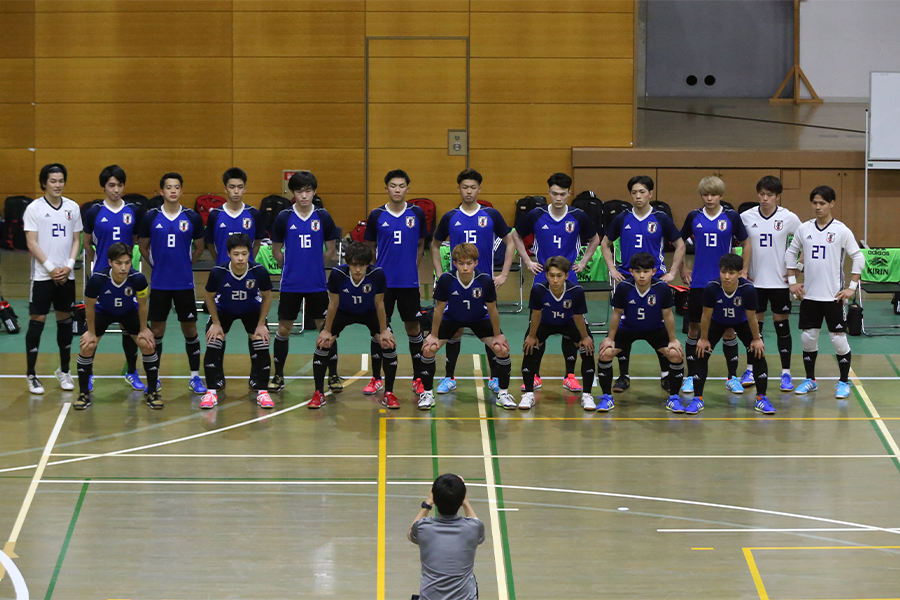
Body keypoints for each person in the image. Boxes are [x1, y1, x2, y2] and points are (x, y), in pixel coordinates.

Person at [511, 172, 600, 393]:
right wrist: (528, 261)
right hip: (543, 275)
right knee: (536, 325)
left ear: (569, 194)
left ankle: (569, 375)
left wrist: (584, 261)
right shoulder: (536, 214)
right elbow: (515, 235)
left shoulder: (578, 216)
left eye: (562, 194)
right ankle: (535, 376)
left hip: (569, 278)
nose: (557, 198)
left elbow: (595, 238)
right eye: (553, 193)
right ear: (548, 192)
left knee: (570, 324)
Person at [431, 168, 515, 395]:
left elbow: (511, 242)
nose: (469, 191)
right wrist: (440, 276)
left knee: (491, 332)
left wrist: (504, 274)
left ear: (479, 188)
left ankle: (495, 378)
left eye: (473, 187)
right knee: (454, 331)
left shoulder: (491, 215)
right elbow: (435, 245)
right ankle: (449, 377)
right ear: (458, 189)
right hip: (456, 284)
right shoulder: (450, 216)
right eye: (465, 187)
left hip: (483, 286)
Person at [601, 175, 685, 393]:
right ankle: (623, 376)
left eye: (642, 192)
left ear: (650, 194)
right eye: (634, 193)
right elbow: (605, 243)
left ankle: (666, 375)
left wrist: (673, 271)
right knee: (625, 326)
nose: (638, 196)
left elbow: (680, 244)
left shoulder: (661, 218)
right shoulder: (622, 218)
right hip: (628, 278)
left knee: (658, 325)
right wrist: (611, 269)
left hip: (654, 278)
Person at [786, 185, 864, 400]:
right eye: (815, 203)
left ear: (831, 204)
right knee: (808, 339)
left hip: (834, 298)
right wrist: (793, 282)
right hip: (809, 297)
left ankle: (843, 382)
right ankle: (810, 380)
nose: (818, 207)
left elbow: (858, 258)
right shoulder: (804, 229)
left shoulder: (841, 230)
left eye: (822, 203)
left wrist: (851, 287)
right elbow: (791, 253)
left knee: (839, 341)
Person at [420, 243, 514, 410]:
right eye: (461, 263)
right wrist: (433, 335)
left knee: (502, 349)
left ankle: (504, 394)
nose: (465, 267)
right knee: (429, 349)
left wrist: (498, 334)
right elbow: (439, 309)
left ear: (476, 263)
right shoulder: (446, 280)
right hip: (452, 319)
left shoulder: (484, 281)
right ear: (454, 263)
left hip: (479, 318)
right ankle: (427, 394)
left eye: (469, 263)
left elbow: (492, 310)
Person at [268, 170, 339, 393]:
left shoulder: (323, 217)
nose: (304, 196)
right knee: (283, 328)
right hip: (290, 284)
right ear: (293, 193)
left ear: (314, 192)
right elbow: (276, 250)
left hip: (317, 283)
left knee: (325, 328)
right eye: (299, 191)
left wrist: (315, 264)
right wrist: (291, 266)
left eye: (308, 191)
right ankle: (278, 375)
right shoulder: (284, 217)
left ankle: (334, 375)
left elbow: (330, 250)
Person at [138, 172, 207, 397]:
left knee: (190, 329)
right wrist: (155, 265)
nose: (173, 191)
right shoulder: (151, 217)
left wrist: (186, 265)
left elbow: (198, 247)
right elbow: (143, 247)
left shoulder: (192, 217)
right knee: (157, 331)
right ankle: (154, 377)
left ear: (181, 191)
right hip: (159, 284)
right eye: (169, 187)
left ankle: (195, 377)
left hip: (184, 284)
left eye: (177, 187)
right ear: (161, 191)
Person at [679, 176, 750, 396]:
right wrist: (682, 269)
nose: (709, 198)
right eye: (705, 194)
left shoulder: (731, 217)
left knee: (729, 330)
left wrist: (744, 271)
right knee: (694, 328)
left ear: (721, 195)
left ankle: (732, 377)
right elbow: (678, 243)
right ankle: (690, 376)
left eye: (714, 194)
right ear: (701, 195)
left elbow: (746, 243)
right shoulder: (694, 216)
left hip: (725, 283)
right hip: (699, 283)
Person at [82, 164, 147, 392]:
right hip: (103, 278)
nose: (116, 189)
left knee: (130, 329)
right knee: (94, 331)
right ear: (103, 187)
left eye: (119, 185)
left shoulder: (133, 211)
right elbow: (87, 243)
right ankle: (87, 375)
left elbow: (137, 240)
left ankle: (131, 371)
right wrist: (97, 266)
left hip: (126, 278)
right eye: (111, 185)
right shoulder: (94, 212)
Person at [364, 169, 429, 397]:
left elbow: (422, 243)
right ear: (386, 189)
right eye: (393, 186)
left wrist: (415, 265)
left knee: (413, 328)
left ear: (407, 189)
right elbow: (370, 246)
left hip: (409, 282)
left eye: (401, 186)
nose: (397, 190)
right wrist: (375, 271)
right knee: (379, 328)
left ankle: (418, 377)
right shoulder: (376, 215)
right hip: (384, 284)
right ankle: (376, 378)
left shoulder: (417, 213)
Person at [597, 252, 685, 413]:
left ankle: (674, 398)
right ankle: (606, 397)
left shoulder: (662, 288)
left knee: (676, 354)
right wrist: (610, 338)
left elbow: (668, 314)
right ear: (631, 272)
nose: (642, 276)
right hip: (628, 328)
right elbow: (617, 313)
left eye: (646, 271)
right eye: (638, 272)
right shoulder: (624, 287)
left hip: (656, 329)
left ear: (654, 271)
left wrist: (673, 340)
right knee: (605, 353)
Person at [75, 243, 159, 410]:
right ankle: (83, 393)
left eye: (127, 262)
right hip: (103, 312)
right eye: (119, 263)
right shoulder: (97, 279)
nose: (123, 267)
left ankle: (153, 392)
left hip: (129, 312)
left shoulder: (138, 279)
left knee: (147, 344)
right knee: (87, 346)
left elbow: (143, 305)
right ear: (110, 262)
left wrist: (143, 329)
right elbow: (89, 306)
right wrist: (91, 332)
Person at [314, 242, 398, 408]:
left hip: (370, 312)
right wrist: (326, 331)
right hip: (343, 311)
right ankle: (318, 393)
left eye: (361, 265)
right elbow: (333, 303)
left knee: (389, 344)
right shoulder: (338, 274)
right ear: (348, 263)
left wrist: (383, 331)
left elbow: (380, 303)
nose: (357, 269)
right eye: (353, 265)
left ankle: (389, 393)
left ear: (368, 264)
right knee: (322, 343)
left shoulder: (377, 274)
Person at [738, 176, 802, 392]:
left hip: (779, 283)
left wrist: (796, 267)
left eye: (770, 195)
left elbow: (806, 240)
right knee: (754, 329)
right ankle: (750, 369)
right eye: (762, 194)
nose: (765, 199)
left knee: (782, 327)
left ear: (777, 196)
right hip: (754, 283)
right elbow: (737, 243)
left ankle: (786, 373)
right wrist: (742, 272)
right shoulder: (746, 217)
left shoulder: (789, 217)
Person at [23, 163, 82, 394]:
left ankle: (65, 371)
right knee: (37, 321)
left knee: (65, 322)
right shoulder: (34, 208)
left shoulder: (73, 207)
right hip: (42, 277)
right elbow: (31, 242)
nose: (57, 185)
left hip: (66, 276)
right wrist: (50, 268)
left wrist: (67, 267)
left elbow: (76, 240)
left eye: (61, 181)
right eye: (53, 181)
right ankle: (31, 374)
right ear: (44, 183)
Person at [200, 233, 273, 410]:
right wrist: (216, 323)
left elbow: (267, 296)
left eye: (244, 253)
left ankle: (262, 391)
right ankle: (211, 392)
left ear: (250, 253)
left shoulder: (258, 271)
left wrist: (261, 324)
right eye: (236, 254)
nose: (240, 258)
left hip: (252, 311)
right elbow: (209, 297)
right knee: (214, 340)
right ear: (228, 254)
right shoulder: (219, 272)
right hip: (224, 311)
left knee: (261, 341)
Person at [694, 254, 772, 414]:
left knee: (758, 353)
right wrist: (703, 338)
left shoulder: (747, 289)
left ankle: (761, 399)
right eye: (723, 272)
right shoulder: (712, 287)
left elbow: (752, 318)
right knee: (701, 354)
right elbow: (706, 315)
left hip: (742, 322)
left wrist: (757, 339)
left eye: (731, 273)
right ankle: (697, 399)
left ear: (739, 273)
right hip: (717, 321)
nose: (727, 277)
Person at [521, 256, 595, 410]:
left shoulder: (576, 291)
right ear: (546, 275)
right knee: (529, 347)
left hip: (570, 323)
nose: (555, 280)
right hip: (545, 323)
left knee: (588, 349)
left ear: (566, 276)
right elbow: (536, 315)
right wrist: (532, 336)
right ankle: (528, 394)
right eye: (552, 275)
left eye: (559, 276)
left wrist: (585, 337)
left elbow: (578, 317)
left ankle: (587, 395)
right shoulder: (538, 290)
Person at [408, 474, 484, 600]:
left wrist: (428, 503)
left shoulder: (423, 527)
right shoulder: (474, 527)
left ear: (435, 499)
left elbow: (411, 533)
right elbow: (476, 523)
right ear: (460, 500)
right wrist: (465, 502)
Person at [205, 168, 263, 265]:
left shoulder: (254, 213)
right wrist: (220, 262)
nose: (236, 191)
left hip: (247, 270)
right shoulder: (215, 214)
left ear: (245, 189)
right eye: (232, 187)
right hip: (223, 270)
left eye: (240, 187)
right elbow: (210, 244)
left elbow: (257, 244)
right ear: (225, 189)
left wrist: (249, 261)